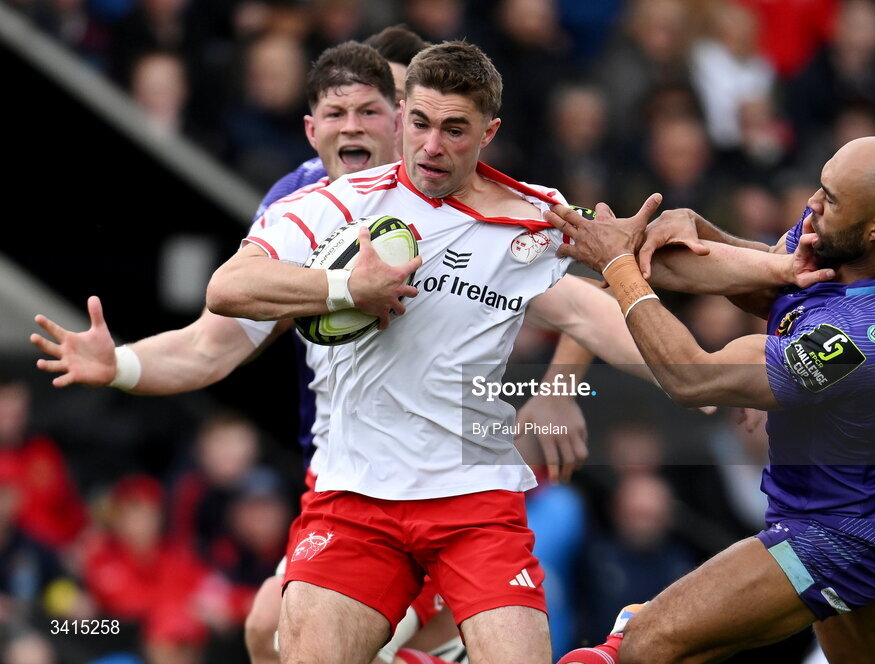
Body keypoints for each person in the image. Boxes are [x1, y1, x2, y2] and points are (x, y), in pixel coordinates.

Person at [204, 39, 826, 664]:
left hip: (474, 503)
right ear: (401, 117)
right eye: (418, 124)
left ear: (489, 131)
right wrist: (345, 286)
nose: (431, 147)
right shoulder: (338, 204)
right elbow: (230, 286)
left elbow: (660, 264)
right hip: (356, 501)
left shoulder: (532, 217)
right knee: (280, 640)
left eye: (454, 129)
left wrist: (780, 269)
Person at [30, 33, 595, 664]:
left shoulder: (469, 193)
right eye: (336, 113)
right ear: (310, 129)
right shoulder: (299, 206)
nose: (356, 128)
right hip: (345, 478)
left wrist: (561, 387)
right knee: (264, 631)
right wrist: (122, 364)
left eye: (374, 111)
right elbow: (212, 344)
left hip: (455, 483)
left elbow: (581, 282)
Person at [545, 134, 875, 664]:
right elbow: (776, 280)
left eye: (831, 199)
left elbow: (694, 381)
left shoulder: (859, 340)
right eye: (821, 187)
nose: (812, 207)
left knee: (641, 648)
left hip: (834, 533)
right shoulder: (869, 242)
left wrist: (618, 266)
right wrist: (696, 234)